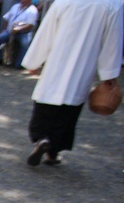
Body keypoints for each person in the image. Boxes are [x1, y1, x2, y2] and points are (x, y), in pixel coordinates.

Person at [21, 0, 123, 166]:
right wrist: (109, 73)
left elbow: (47, 32)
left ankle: (41, 139)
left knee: (46, 101)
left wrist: (34, 61)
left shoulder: (65, 1)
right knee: (69, 109)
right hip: (84, 64)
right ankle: (52, 153)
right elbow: (112, 41)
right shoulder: (112, 4)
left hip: (56, 62)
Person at [0, 0, 38, 68]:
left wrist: (19, 29)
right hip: (9, 31)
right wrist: (4, 29)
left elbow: (30, 25)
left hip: (23, 32)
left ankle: (19, 64)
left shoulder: (33, 10)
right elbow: (7, 18)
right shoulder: (15, 6)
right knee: (0, 38)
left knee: (25, 43)